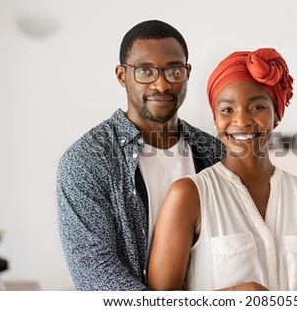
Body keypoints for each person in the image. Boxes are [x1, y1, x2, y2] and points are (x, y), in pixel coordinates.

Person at [148, 48, 297, 291]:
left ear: (276, 115)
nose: (241, 121)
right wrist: (232, 296)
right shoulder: (189, 195)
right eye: (227, 110)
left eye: (256, 107)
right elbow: (157, 300)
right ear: (215, 119)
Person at [56, 20, 224, 290]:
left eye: (173, 70)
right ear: (122, 75)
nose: (161, 84)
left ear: (187, 73)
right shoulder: (85, 161)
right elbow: (96, 276)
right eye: (145, 71)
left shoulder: (215, 153)